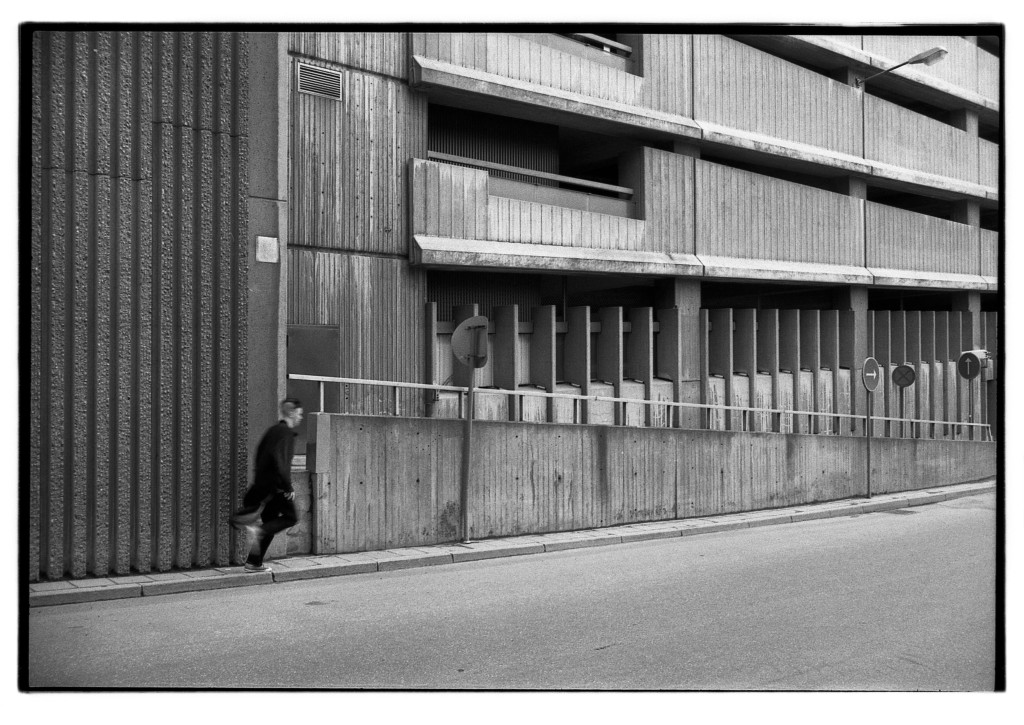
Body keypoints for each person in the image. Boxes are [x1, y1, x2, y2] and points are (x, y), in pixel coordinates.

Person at [230, 398, 303, 572]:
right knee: (291, 517)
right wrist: (288, 487)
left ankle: (254, 562)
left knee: (271, 522)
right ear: (291, 413)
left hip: (263, 487)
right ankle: (259, 532)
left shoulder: (272, 431)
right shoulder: (285, 434)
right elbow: (281, 462)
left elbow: (261, 457)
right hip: (276, 488)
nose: (300, 418)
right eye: (299, 414)